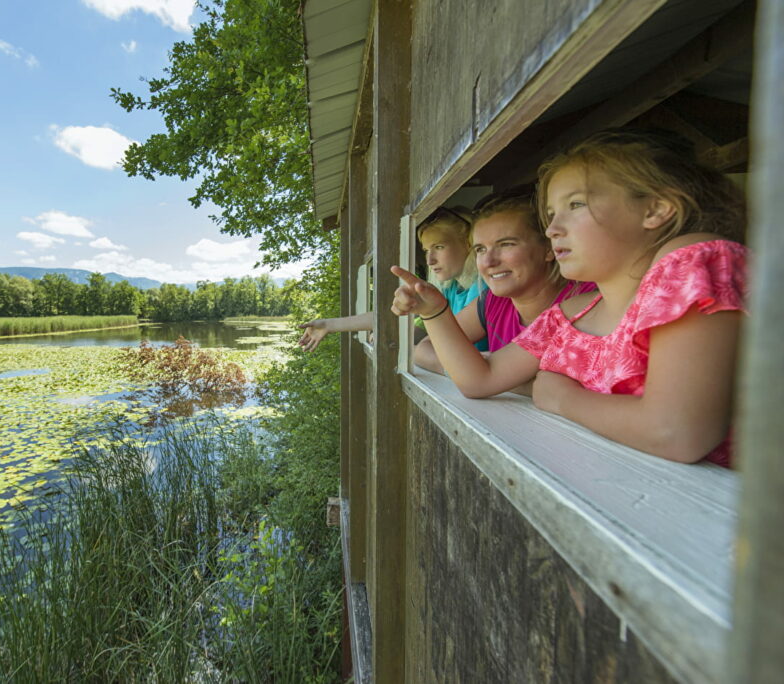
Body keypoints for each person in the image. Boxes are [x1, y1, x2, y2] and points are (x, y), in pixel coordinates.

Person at [392, 128, 746, 466]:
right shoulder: (570, 315)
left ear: (654, 209)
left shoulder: (695, 259)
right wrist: (436, 312)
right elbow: (479, 379)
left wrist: (564, 399)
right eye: (550, 214)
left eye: (575, 205)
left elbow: (676, 432)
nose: (552, 229)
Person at [410, 188, 593, 374]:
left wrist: (481, 368)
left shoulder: (587, 302)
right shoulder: (493, 301)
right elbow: (425, 348)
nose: (489, 262)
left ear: (548, 249)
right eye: (480, 249)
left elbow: (574, 385)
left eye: (506, 244)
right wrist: (469, 367)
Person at [298, 205, 484, 352]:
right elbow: (397, 318)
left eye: (439, 247)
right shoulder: (450, 290)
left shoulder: (483, 289)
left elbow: (444, 344)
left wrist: (399, 339)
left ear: (469, 244)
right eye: (427, 250)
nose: (430, 260)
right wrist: (329, 324)